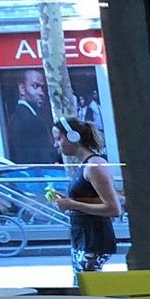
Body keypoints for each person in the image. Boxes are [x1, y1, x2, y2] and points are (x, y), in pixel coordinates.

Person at [51, 116, 121, 276]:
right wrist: (69, 202)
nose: (56, 144)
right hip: (85, 239)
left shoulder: (94, 166)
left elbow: (113, 208)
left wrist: (71, 204)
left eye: (59, 139)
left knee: (88, 285)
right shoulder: (86, 165)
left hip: (93, 241)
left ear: (72, 137)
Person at [5, 70, 60, 164]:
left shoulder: (17, 117)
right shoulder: (32, 121)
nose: (41, 93)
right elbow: (45, 157)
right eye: (35, 86)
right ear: (22, 89)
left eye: (42, 88)